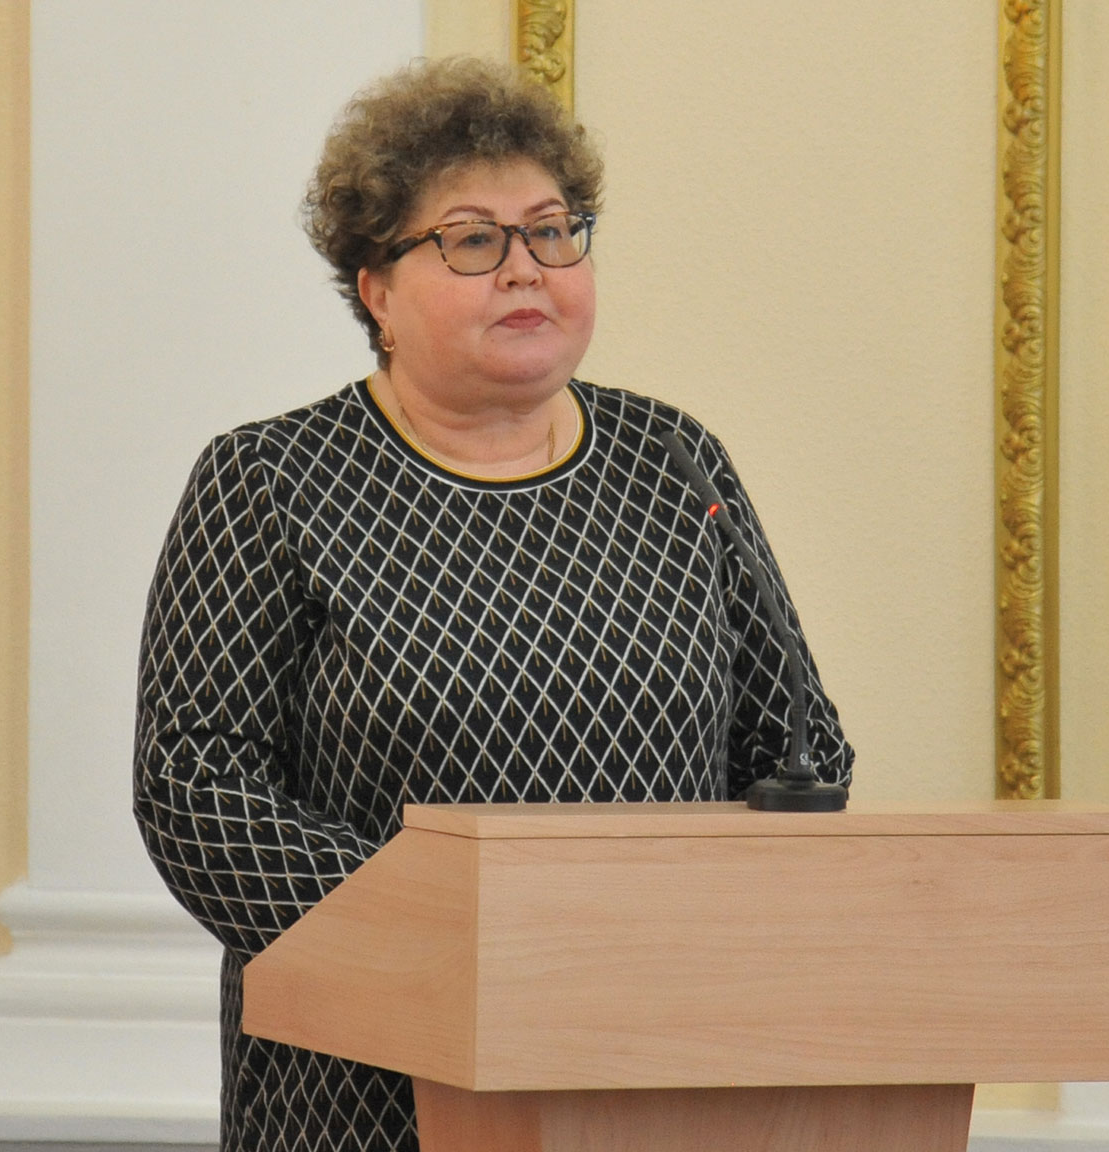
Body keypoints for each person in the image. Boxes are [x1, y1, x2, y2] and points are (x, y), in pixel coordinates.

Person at [133, 57, 854, 1152]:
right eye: (473, 241)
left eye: (553, 232)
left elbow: (797, 746)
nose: (526, 269)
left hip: (656, 1058)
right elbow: (197, 785)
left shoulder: (674, 459)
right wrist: (459, 940)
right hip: (372, 1075)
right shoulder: (273, 480)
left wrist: (677, 945)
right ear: (376, 290)